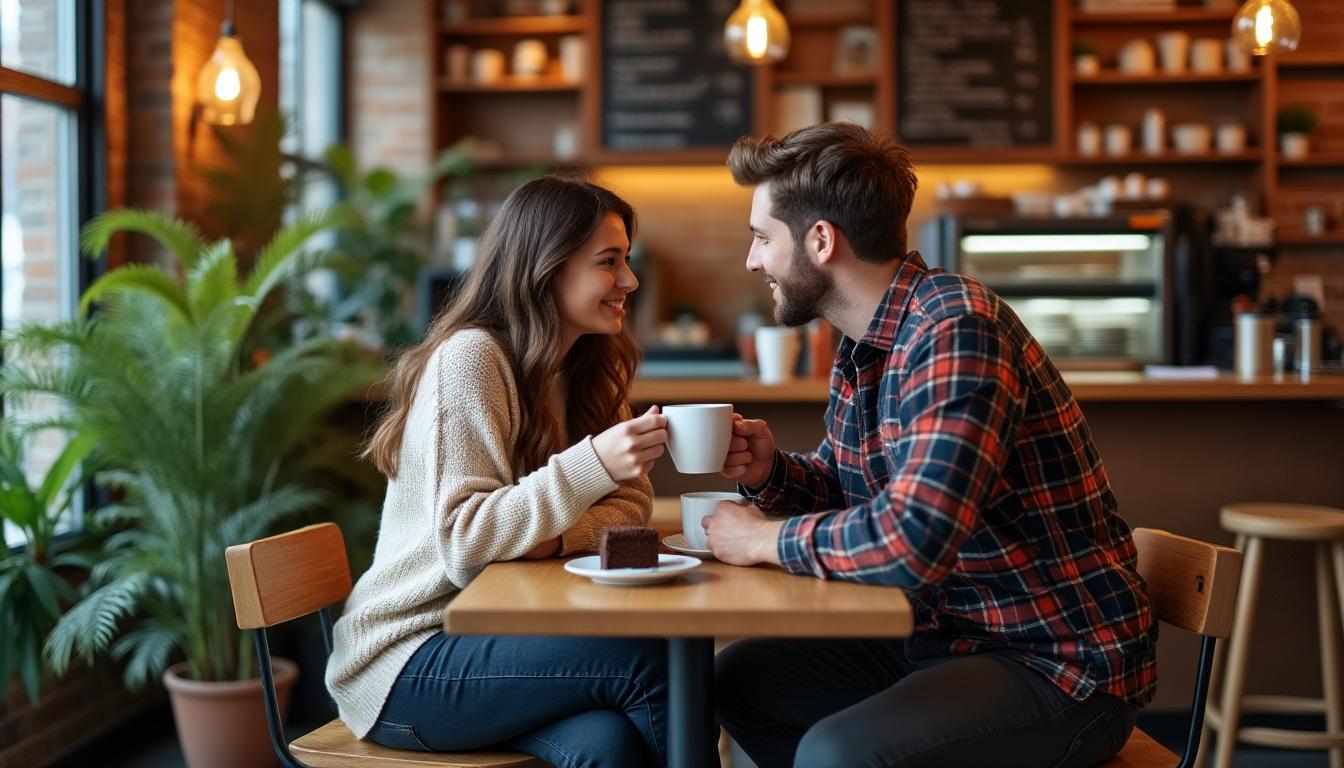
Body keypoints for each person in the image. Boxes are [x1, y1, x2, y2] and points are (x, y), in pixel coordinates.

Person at [705, 122, 1158, 768]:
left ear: (821, 240)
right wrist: (772, 471)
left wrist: (761, 540)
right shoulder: (867, 341)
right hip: (949, 635)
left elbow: (913, 539)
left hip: (1055, 664)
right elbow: (850, 490)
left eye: (761, 238)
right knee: (737, 680)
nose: (752, 261)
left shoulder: (953, 330)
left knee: (836, 756)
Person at [327, 175, 670, 768]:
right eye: (609, 262)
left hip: (500, 641)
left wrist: (555, 536)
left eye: (627, 261)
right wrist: (590, 467)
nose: (629, 281)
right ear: (547, 267)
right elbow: (468, 543)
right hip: (409, 658)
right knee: (646, 658)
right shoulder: (471, 359)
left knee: (610, 746)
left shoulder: (582, 364)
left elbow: (632, 503)